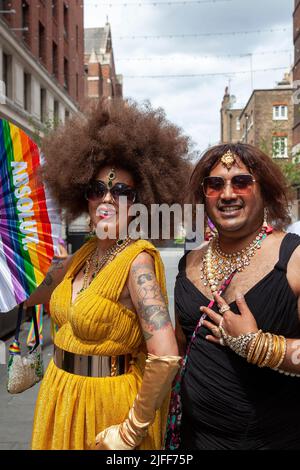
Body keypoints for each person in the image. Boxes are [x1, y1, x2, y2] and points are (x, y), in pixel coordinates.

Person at [26, 99, 190, 450]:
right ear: (82, 196)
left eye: (121, 192)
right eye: (96, 189)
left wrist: (130, 431)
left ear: (141, 202)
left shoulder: (137, 261)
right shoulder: (79, 256)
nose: (107, 199)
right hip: (60, 398)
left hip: (108, 410)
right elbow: (26, 296)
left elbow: (166, 355)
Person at [175, 143, 300, 450]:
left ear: (265, 191)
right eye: (215, 185)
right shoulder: (189, 260)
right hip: (193, 439)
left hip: (275, 440)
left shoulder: (295, 257)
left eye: (241, 182)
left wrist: (257, 345)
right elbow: (179, 346)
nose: (228, 194)